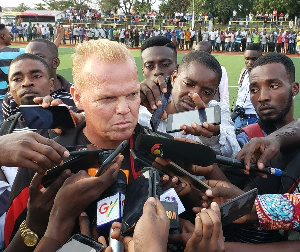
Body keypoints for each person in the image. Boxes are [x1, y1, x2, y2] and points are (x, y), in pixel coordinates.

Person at [139, 50, 240, 158]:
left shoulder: (216, 112)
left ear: (213, 94)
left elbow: (234, 153)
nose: (194, 95)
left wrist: (214, 136)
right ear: (174, 78)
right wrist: (129, 99)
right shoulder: (145, 110)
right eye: (188, 84)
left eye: (206, 92)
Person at [2, 38, 77, 120]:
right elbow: (9, 127)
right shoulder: (11, 97)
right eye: (27, 56)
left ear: (55, 62)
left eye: (38, 57)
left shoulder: (76, 94)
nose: (29, 61)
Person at [0, 24, 25, 122]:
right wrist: (59, 37)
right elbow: (44, 54)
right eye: (9, 34)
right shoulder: (19, 52)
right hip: (11, 100)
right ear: (3, 36)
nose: (11, 36)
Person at [233, 43, 262, 130]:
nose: (250, 62)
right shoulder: (243, 72)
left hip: (255, 119)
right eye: (247, 59)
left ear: (261, 58)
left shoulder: (265, 76)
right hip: (238, 118)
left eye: (254, 59)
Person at [195, 41, 230, 110]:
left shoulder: (220, 70)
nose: (197, 55)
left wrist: (224, 112)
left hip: (213, 111)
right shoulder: (192, 70)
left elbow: (224, 94)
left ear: (209, 52)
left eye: (201, 52)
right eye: (196, 52)